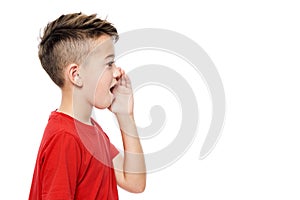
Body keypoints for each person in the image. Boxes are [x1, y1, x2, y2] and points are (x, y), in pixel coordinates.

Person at [29, 12, 146, 199]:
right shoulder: (64, 138)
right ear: (76, 75)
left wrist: (125, 116)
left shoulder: (91, 129)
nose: (117, 72)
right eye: (109, 64)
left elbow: (134, 182)